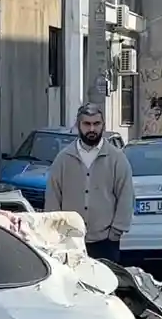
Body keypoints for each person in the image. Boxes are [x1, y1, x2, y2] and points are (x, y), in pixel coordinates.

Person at [44, 103, 135, 262]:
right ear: (78, 125)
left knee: (106, 285)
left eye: (96, 124)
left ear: (103, 125)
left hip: (106, 241)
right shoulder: (63, 159)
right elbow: (53, 196)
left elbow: (126, 195)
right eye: (87, 124)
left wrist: (116, 232)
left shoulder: (116, 158)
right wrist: (56, 232)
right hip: (69, 242)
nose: (92, 129)